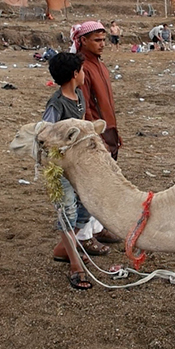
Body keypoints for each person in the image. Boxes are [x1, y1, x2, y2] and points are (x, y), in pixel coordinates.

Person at [42, 52, 110, 290]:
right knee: (67, 213)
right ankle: (76, 265)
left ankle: (63, 249)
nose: (84, 74)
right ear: (74, 74)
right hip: (61, 170)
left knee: (86, 208)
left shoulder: (79, 96)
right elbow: (46, 133)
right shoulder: (56, 104)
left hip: (79, 167)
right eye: (81, 70)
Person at [71, 21, 123, 161]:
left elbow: (105, 103)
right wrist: (96, 138)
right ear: (83, 40)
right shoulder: (82, 69)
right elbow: (84, 107)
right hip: (96, 134)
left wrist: (114, 132)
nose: (102, 44)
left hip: (108, 131)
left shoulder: (100, 64)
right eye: (97, 40)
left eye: (104, 40)